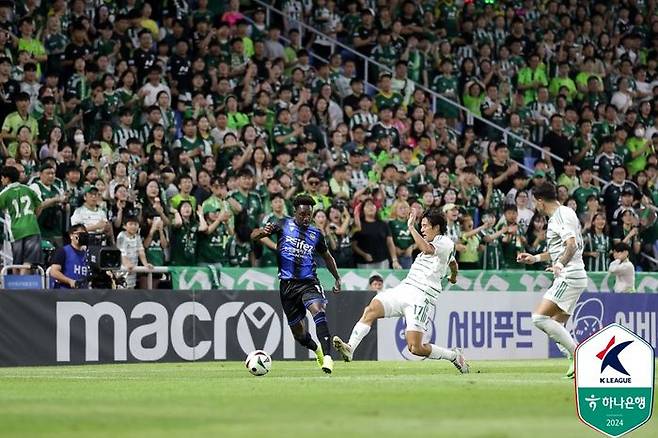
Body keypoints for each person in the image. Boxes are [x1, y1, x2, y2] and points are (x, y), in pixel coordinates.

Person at [333, 207, 469, 373]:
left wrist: (411, 227)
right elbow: (453, 262)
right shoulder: (441, 247)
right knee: (371, 309)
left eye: (425, 226)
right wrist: (453, 276)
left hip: (421, 296)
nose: (422, 229)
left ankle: (454, 356)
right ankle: (350, 348)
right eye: (422, 225)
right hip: (405, 288)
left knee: (415, 347)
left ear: (437, 227)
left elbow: (427, 249)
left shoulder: (445, 242)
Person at [251, 194, 341, 374]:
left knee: (318, 310)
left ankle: (329, 358)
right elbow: (254, 235)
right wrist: (262, 232)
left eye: (309, 215)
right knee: (299, 335)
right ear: (295, 212)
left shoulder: (316, 234)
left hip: (308, 282)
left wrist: (337, 278)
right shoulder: (282, 224)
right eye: (302, 215)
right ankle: (317, 350)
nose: (306, 218)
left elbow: (327, 257)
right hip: (287, 286)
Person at [517, 182, 587, 378]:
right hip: (575, 274)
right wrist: (536, 258)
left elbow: (571, 246)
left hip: (570, 275)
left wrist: (560, 265)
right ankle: (575, 362)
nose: (534, 206)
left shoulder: (559, 217)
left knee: (539, 318)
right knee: (556, 326)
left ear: (540, 201)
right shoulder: (566, 212)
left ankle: (578, 356)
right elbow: (560, 248)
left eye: (534, 202)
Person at [0, 165, 42, 272]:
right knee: (29, 261)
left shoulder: (3, 194)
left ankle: (17, 286)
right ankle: (24, 284)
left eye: (2, 177)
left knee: (17, 261)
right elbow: (39, 205)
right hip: (32, 228)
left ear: (7, 178)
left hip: (16, 230)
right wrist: (33, 218)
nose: (1, 180)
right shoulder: (28, 189)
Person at [49, 224, 90, 288]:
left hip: (84, 292)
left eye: (84, 234)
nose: (82, 237)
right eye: (80, 234)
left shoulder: (88, 254)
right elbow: (53, 272)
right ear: (71, 236)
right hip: (66, 291)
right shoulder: (63, 251)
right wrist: (70, 281)